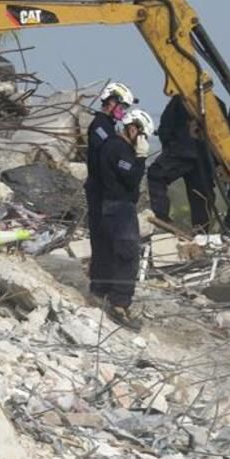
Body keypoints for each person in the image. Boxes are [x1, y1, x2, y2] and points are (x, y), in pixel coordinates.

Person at [94, 107, 154, 330]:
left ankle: (109, 296)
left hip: (116, 207)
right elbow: (131, 178)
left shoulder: (115, 146)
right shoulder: (117, 148)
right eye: (142, 135)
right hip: (119, 208)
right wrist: (140, 158)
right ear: (133, 128)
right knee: (127, 255)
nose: (143, 140)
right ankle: (119, 304)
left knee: (116, 254)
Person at [83, 82, 136, 300]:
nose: (123, 111)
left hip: (104, 191)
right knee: (101, 240)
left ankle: (103, 285)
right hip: (98, 190)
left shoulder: (107, 126)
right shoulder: (100, 126)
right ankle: (99, 287)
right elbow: (108, 153)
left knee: (106, 240)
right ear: (111, 102)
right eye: (121, 106)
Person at [147, 94, 219, 239]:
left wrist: (170, 149)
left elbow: (165, 128)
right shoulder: (217, 103)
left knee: (155, 175)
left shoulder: (179, 100)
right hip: (205, 159)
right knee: (202, 196)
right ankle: (202, 233)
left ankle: (161, 216)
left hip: (181, 152)